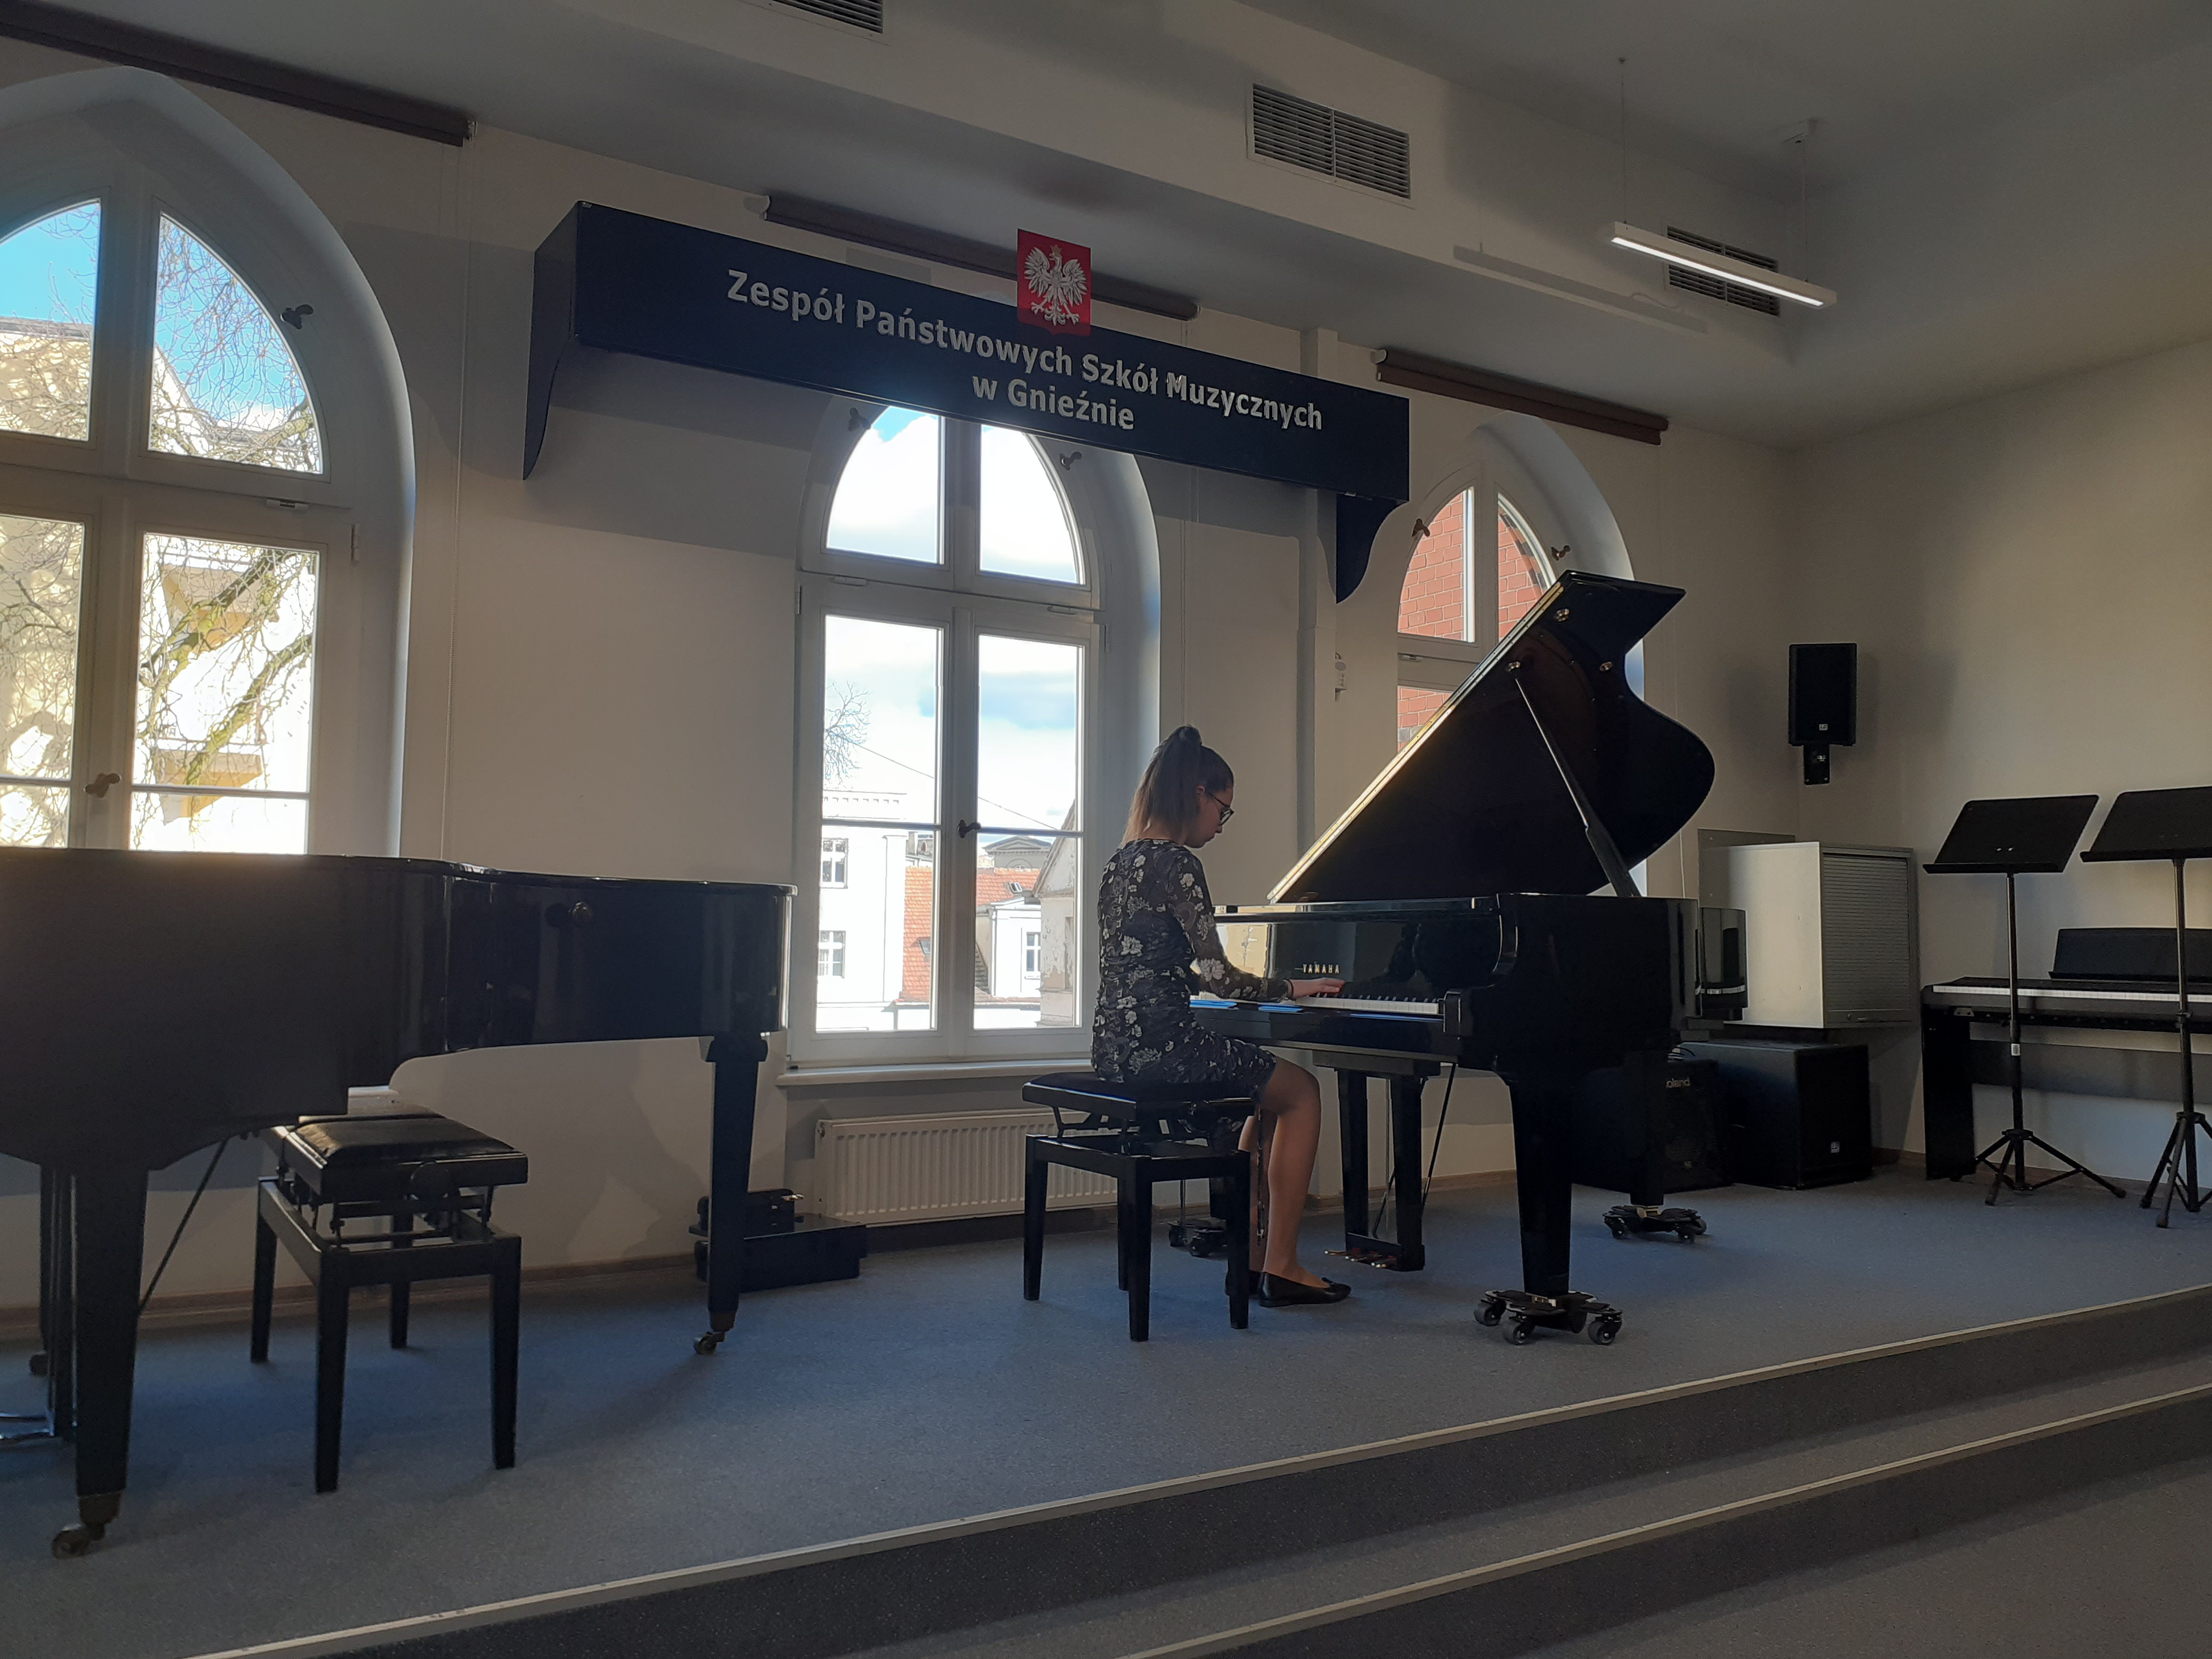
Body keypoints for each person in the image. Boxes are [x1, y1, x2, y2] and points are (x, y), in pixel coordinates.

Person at [1092, 726, 1350, 1306]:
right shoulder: (1178, 863)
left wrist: (1200, 988)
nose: (1221, 825)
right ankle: (1282, 1265)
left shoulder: (1120, 862)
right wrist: (1291, 988)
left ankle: (1254, 1257)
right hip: (1166, 1049)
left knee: (1261, 1094)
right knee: (1301, 1092)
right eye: (1223, 811)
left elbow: (1146, 965)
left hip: (1113, 1047)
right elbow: (1220, 978)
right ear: (1199, 794)